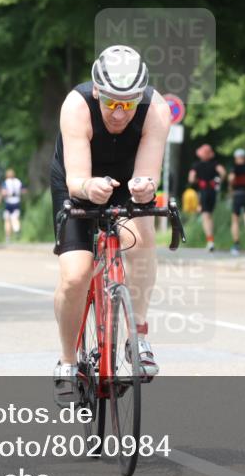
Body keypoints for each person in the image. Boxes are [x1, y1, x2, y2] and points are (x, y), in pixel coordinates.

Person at [50, 44, 170, 405]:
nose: (119, 113)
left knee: (141, 235)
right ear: (97, 93)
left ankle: (138, 337)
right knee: (76, 275)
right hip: (79, 181)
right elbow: (77, 180)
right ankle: (68, 361)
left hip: (126, 181)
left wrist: (145, 187)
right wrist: (89, 188)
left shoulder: (156, 109)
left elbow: (148, 176)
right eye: (112, 103)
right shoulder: (76, 106)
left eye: (128, 104)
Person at [188, 143, 225, 252]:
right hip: (213, 191)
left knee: (205, 216)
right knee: (210, 215)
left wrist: (197, 181)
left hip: (203, 192)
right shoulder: (215, 164)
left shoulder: (196, 165)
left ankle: (210, 241)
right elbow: (223, 172)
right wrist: (218, 181)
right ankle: (211, 240)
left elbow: (191, 179)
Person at [0, 168, 26, 243]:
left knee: (7, 220)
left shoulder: (6, 182)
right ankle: (16, 229)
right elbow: (24, 190)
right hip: (17, 201)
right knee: (15, 218)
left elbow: (3, 192)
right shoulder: (18, 181)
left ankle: (8, 237)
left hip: (8, 202)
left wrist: (2, 197)